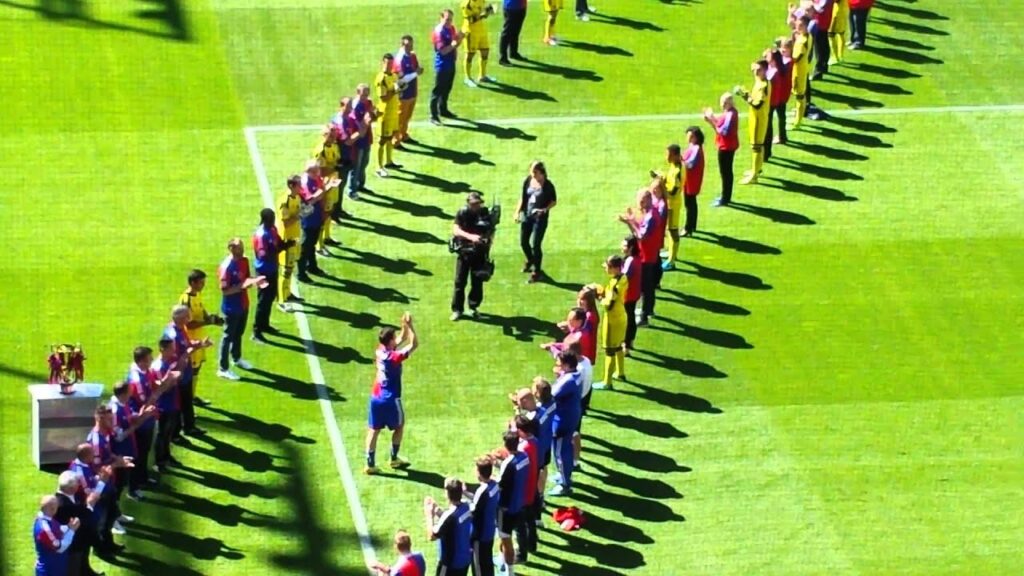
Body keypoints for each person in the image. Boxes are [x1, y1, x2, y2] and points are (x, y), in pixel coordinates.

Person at [365, 313, 418, 475]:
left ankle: (369, 464)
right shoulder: (394, 357)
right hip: (390, 398)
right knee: (400, 426)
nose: (396, 339)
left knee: (373, 429)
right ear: (389, 342)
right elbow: (414, 344)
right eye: (393, 338)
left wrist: (403, 325)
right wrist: (411, 326)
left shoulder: (380, 351)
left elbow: (401, 339)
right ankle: (394, 458)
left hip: (376, 397)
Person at [217, 238, 264, 380]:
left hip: (243, 304)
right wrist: (242, 286)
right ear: (231, 249)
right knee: (227, 337)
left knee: (239, 333)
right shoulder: (226, 267)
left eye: (242, 246)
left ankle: (236, 358)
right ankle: (223, 368)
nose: (242, 249)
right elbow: (224, 291)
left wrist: (256, 282)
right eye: (239, 247)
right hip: (231, 308)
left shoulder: (244, 261)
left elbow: (247, 278)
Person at [164, 304, 210, 437]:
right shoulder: (173, 336)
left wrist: (200, 344)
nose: (189, 317)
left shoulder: (180, 328)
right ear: (179, 318)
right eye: (186, 316)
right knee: (178, 405)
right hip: (179, 375)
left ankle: (189, 427)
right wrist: (191, 351)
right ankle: (176, 434)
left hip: (186, 373)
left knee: (187, 402)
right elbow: (174, 358)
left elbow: (187, 344)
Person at [178, 269, 221, 409]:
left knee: (197, 369)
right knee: (190, 372)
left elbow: (201, 310)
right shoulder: (186, 299)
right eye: (201, 282)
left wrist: (211, 318)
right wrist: (208, 322)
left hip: (199, 338)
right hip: (191, 341)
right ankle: (186, 401)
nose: (203, 285)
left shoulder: (197, 294)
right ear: (192, 282)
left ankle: (192, 396)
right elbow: (188, 324)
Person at [451, 192, 495, 320]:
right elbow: (455, 230)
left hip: (480, 253)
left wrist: (488, 245)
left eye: (478, 203)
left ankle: (473, 307)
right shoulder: (463, 212)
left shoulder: (485, 213)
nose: (476, 206)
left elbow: (491, 230)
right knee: (460, 282)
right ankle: (457, 309)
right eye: (474, 204)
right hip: (465, 251)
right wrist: (471, 237)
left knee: (477, 282)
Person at [126, 345, 165, 492]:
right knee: (138, 454)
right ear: (141, 361)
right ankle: (133, 487)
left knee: (145, 451)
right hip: (140, 422)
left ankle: (143, 478)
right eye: (149, 358)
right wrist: (162, 388)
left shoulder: (144, 371)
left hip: (147, 419)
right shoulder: (136, 380)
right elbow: (145, 401)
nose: (152, 360)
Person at [109, 381, 155, 501]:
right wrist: (136, 425)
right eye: (129, 391)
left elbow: (129, 416)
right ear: (123, 394)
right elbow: (118, 436)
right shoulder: (114, 411)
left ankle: (133, 489)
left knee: (132, 468)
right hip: (121, 450)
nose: (132, 393)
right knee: (120, 480)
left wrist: (141, 415)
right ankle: (117, 508)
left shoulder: (124, 403)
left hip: (129, 445)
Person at [619, 189, 658, 325]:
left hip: (647, 256)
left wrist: (631, 222)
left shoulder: (651, 216)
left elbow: (642, 236)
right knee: (646, 286)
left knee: (646, 286)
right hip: (646, 254)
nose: (639, 204)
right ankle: (647, 310)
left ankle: (645, 315)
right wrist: (631, 221)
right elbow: (638, 234)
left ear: (648, 200)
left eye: (642, 201)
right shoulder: (648, 214)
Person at [590, 255, 628, 389]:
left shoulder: (615, 285)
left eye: (607, 266)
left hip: (612, 320)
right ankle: (620, 373)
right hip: (621, 316)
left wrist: (598, 297)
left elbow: (609, 304)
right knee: (618, 346)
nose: (605, 268)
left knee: (609, 350)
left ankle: (607, 382)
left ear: (615, 268)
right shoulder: (622, 278)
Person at [515, 161, 557, 283]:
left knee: (535, 245)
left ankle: (537, 271)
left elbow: (553, 201)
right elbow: (523, 198)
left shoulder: (548, 185)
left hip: (540, 219)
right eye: (531, 171)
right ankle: (530, 260)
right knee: (523, 242)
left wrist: (544, 209)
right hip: (527, 216)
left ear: (541, 172)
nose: (532, 174)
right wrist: (517, 212)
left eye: (535, 172)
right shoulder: (528, 181)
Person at [495, 431, 528, 573]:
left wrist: (493, 469)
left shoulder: (508, 463)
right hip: (519, 502)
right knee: (509, 535)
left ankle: (509, 571)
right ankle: (502, 559)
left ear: (506, 445)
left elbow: (499, 484)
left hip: (506, 507)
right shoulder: (524, 457)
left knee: (505, 538)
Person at [252, 208, 288, 341]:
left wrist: (286, 244)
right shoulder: (262, 235)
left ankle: (265, 324)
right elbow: (264, 255)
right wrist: (279, 249)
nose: (274, 219)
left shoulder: (272, 229)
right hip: (264, 271)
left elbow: (278, 243)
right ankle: (256, 330)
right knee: (263, 300)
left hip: (272, 269)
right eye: (271, 217)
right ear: (266, 219)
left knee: (270, 297)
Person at [425, 478, 473, 576]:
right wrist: (438, 511)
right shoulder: (466, 506)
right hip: (464, 559)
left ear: (447, 494)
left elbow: (432, 536)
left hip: (450, 564)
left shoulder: (449, 516)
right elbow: (452, 522)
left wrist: (429, 515)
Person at [55, 470, 100, 576]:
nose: (79, 485)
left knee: (83, 561)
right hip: (74, 543)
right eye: (77, 484)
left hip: (82, 539)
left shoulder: (71, 495)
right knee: (74, 568)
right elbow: (84, 515)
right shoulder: (63, 504)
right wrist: (90, 504)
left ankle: (87, 572)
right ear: (71, 488)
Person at [548, 350, 580, 496]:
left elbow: (550, 395)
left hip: (562, 421)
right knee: (565, 448)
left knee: (560, 452)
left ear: (567, 366)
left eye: (560, 365)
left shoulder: (567, 381)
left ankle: (565, 484)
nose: (557, 366)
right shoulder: (577, 373)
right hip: (572, 416)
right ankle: (564, 475)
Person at [735, 59, 771, 185]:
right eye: (754, 70)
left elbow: (757, 104)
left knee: (756, 146)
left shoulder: (763, 86)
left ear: (765, 70)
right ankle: (757, 169)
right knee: (758, 146)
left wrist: (745, 95)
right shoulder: (761, 81)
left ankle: (754, 176)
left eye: (759, 70)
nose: (755, 72)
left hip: (758, 119)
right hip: (756, 117)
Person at [151, 337, 182, 474]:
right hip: (164, 406)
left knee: (168, 433)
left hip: (173, 402)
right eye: (171, 348)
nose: (173, 350)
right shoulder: (158, 367)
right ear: (163, 349)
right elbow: (162, 388)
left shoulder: (168, 361)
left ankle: (167, 456)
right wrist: (173, 379)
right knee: (162, 434)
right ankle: (159, 462)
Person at [297, 161, 331, 284]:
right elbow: (309, 201)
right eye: (317, 171)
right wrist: (321, 193)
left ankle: (312, 266)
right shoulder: (305, 183)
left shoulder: (316, 179)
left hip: (316, 216)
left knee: (312, 244)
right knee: (305, 246)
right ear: (310, 172)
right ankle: (301, 273)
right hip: (308, 219)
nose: (319, 173)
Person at [703, 93, 739, 207]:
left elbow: (723, 131)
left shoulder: (730, 114)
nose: (722, 105)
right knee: (726, 172)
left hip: (726, 148)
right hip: (727, 146)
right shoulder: (730, 113)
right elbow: (720, 125)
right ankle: (725, 196)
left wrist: (710, 119)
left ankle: (725, 198)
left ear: (730, 103)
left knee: (726, 173)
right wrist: (711, 118)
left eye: (724, 102)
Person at [511, 414, 539, 560]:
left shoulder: (523, 448)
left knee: (520, 525)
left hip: (523, 491)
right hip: (533, 487)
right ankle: (532, 545)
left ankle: (522, 554)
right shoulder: (534, 441)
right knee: (531, 519)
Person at [313, 126, 344, 252]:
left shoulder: (334, 146)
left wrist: (340, 165)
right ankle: (319, 245)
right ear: (324, 135)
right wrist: (337, 168)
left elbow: (336, 160)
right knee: (323, 214)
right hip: (325, 185)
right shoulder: (320, 151)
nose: (334, 137)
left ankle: (327, 237)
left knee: (329, 212)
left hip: (333, 182)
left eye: (334, 135)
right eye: (331, 135)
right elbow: (320, 171)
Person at [277, 175, 305, 311]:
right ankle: (282, 300)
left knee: (291, 268)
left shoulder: (297, 197)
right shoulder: (285, 201)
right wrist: (300, 215)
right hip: (287, 239)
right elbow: (286, 222)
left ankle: (287, 294)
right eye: (299, 185)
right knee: (286, 270)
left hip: (295, 237)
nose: (301, 187)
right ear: (291, 186)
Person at [468, 456, 499, 576]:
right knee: (487, 563)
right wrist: (466, 492)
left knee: (478, 567)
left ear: (479, 473)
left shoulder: (482, 490)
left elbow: (474, 510)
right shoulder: (494, 485)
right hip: (490, 530)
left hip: (479, 534)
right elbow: (482, 502)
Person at [430, 9, 462, 125]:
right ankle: (433, 116)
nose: (449, 22)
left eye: (451, 20)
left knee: (447, 88)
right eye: (447, 19)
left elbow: (455, 43)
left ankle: (443, 110)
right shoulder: (438, 32)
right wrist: (453, 45)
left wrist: (460, 38)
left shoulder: (451, 28)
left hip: (451, 63)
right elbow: (442, 51)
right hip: (442, 65)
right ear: (441, 18)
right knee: (437, 91)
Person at [34, 495, 79, 576]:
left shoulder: (48, 518)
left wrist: (68, 527)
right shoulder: (44, 528)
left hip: (56, 566)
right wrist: (72, 531)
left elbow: (56, 530)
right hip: (50, 570)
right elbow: (59, 548)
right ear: (52, 509)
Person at [375, 54, 403, 178]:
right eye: (387, 63)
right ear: (383, 63)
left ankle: (389, 161)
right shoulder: (381, 79)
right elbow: (384, 97)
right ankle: (378, 167)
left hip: (393, 112)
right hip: (385, 113)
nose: (390, 66)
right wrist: (395, 90)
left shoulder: (394, 75)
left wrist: (400, 88)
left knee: (391, 136)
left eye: (391, 63)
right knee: (382, 140)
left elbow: (396, 91)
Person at [394, 36, 423, 145]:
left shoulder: (413, 55)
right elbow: (402, 78)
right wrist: (417, 73)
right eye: (407, 45)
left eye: (411, 45)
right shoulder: (399, 59)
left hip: (412, 91)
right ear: (401, 45)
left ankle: (403, 135)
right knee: (400, 118)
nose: (409, 47)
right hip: (403, 94)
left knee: (407, 117)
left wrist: (417, 71)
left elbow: (416, 68)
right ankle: (395, 140)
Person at [461, 0, 496, 86]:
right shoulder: (466, 4)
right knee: (470, 54)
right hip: (471, 31)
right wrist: (484, 15)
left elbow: (481, 10)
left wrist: (488, 11)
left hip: (481, 30)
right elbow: (471, 20)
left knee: (485, 51)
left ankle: (482, 76)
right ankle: (467, 78)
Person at [352, 84, 379, 193]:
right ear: (358, 93)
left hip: (367, 138)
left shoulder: (368, 102)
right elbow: (357, 125)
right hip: (358, 140)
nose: (366, 97)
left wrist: (375, 114)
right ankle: (352, 190)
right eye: (364, 94)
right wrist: (367, 119)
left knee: (364, 164)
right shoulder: (355, 106)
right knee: (356, 166)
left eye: (367, 94)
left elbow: (374, 117)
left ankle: (360, 185)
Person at [659, 144, 683, 271]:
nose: (666, 157)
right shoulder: (674, 165)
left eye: (668, 154)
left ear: (674, 155)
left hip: (673, 205)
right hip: (670, 203)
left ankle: (672, 261)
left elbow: (672, 192)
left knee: (673, 231)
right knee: (670, 229)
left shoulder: (678, 171)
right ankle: (670, 252)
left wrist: (661, 184)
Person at [681, 126, 705, 237]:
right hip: (690, 179)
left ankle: (688, 228)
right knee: (691, 203)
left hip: (692, 180)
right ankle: (692, 226)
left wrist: (680, 160)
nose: (688, 137)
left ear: (695, 138)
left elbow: (690, 164)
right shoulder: (693, 146)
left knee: (689, 204)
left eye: (690, 135)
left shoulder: (695, 148)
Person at [770, 39, 794, 147]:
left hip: (781, 93)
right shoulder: (785, 60)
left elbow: (782, 73)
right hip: (781, 92)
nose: (783, 50)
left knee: (780, 115)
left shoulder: (788, 62)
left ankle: (781, 136)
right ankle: (782, 136)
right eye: (782, 48)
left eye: (785, 49)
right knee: (781, 115)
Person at [790, 15, 811, 129]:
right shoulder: (804, 36)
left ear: (806, 26)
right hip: (799, 69)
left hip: (800, 71)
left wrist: (785, 58)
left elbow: (796, 58)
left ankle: (798, 121)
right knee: (798, 94)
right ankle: (799, 112)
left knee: (799, 95)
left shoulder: (803, 40)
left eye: (800, 25)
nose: (797, 26)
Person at [621, 236, 641, 354]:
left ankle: (626, 346)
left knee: (628, 320)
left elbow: (624, 278)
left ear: (631, 247)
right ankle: (630, 342)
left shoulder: (631, 261)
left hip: (628, 294)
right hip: (634, 293)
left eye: (624, 245)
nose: (622, 248)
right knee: (631, 318)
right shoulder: (636, 258)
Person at [498, 0, 527, 65]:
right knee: (507, 33)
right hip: (511, 6)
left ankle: (513, 53)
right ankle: (502, 58)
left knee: (515, 31)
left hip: (521, 6)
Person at [811, 0, 833, 79]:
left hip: (820, 22)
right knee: (824, 43)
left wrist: (811, 3)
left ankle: (818, 71)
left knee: (819, 48)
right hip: (823, 21)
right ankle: (824, 66)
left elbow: (820, 8)